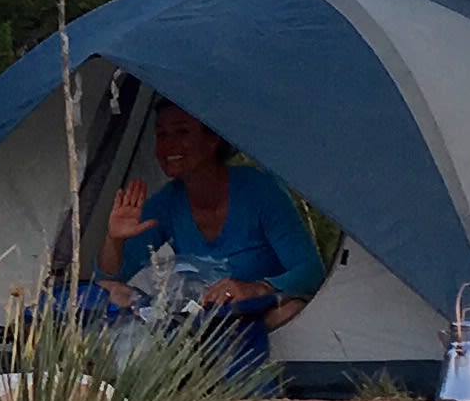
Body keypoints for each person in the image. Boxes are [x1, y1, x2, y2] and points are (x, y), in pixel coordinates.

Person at [94, 101, 323, 357]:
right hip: (200, 321)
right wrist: (114, 240)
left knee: (291, 309)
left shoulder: (260, 191)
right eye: (161, 135)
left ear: (212, 139)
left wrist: (257, 288)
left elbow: (310, 270)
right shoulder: (166, 203)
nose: (169, 146)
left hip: (262, 317)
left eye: (182, 133)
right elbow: (111, 279)